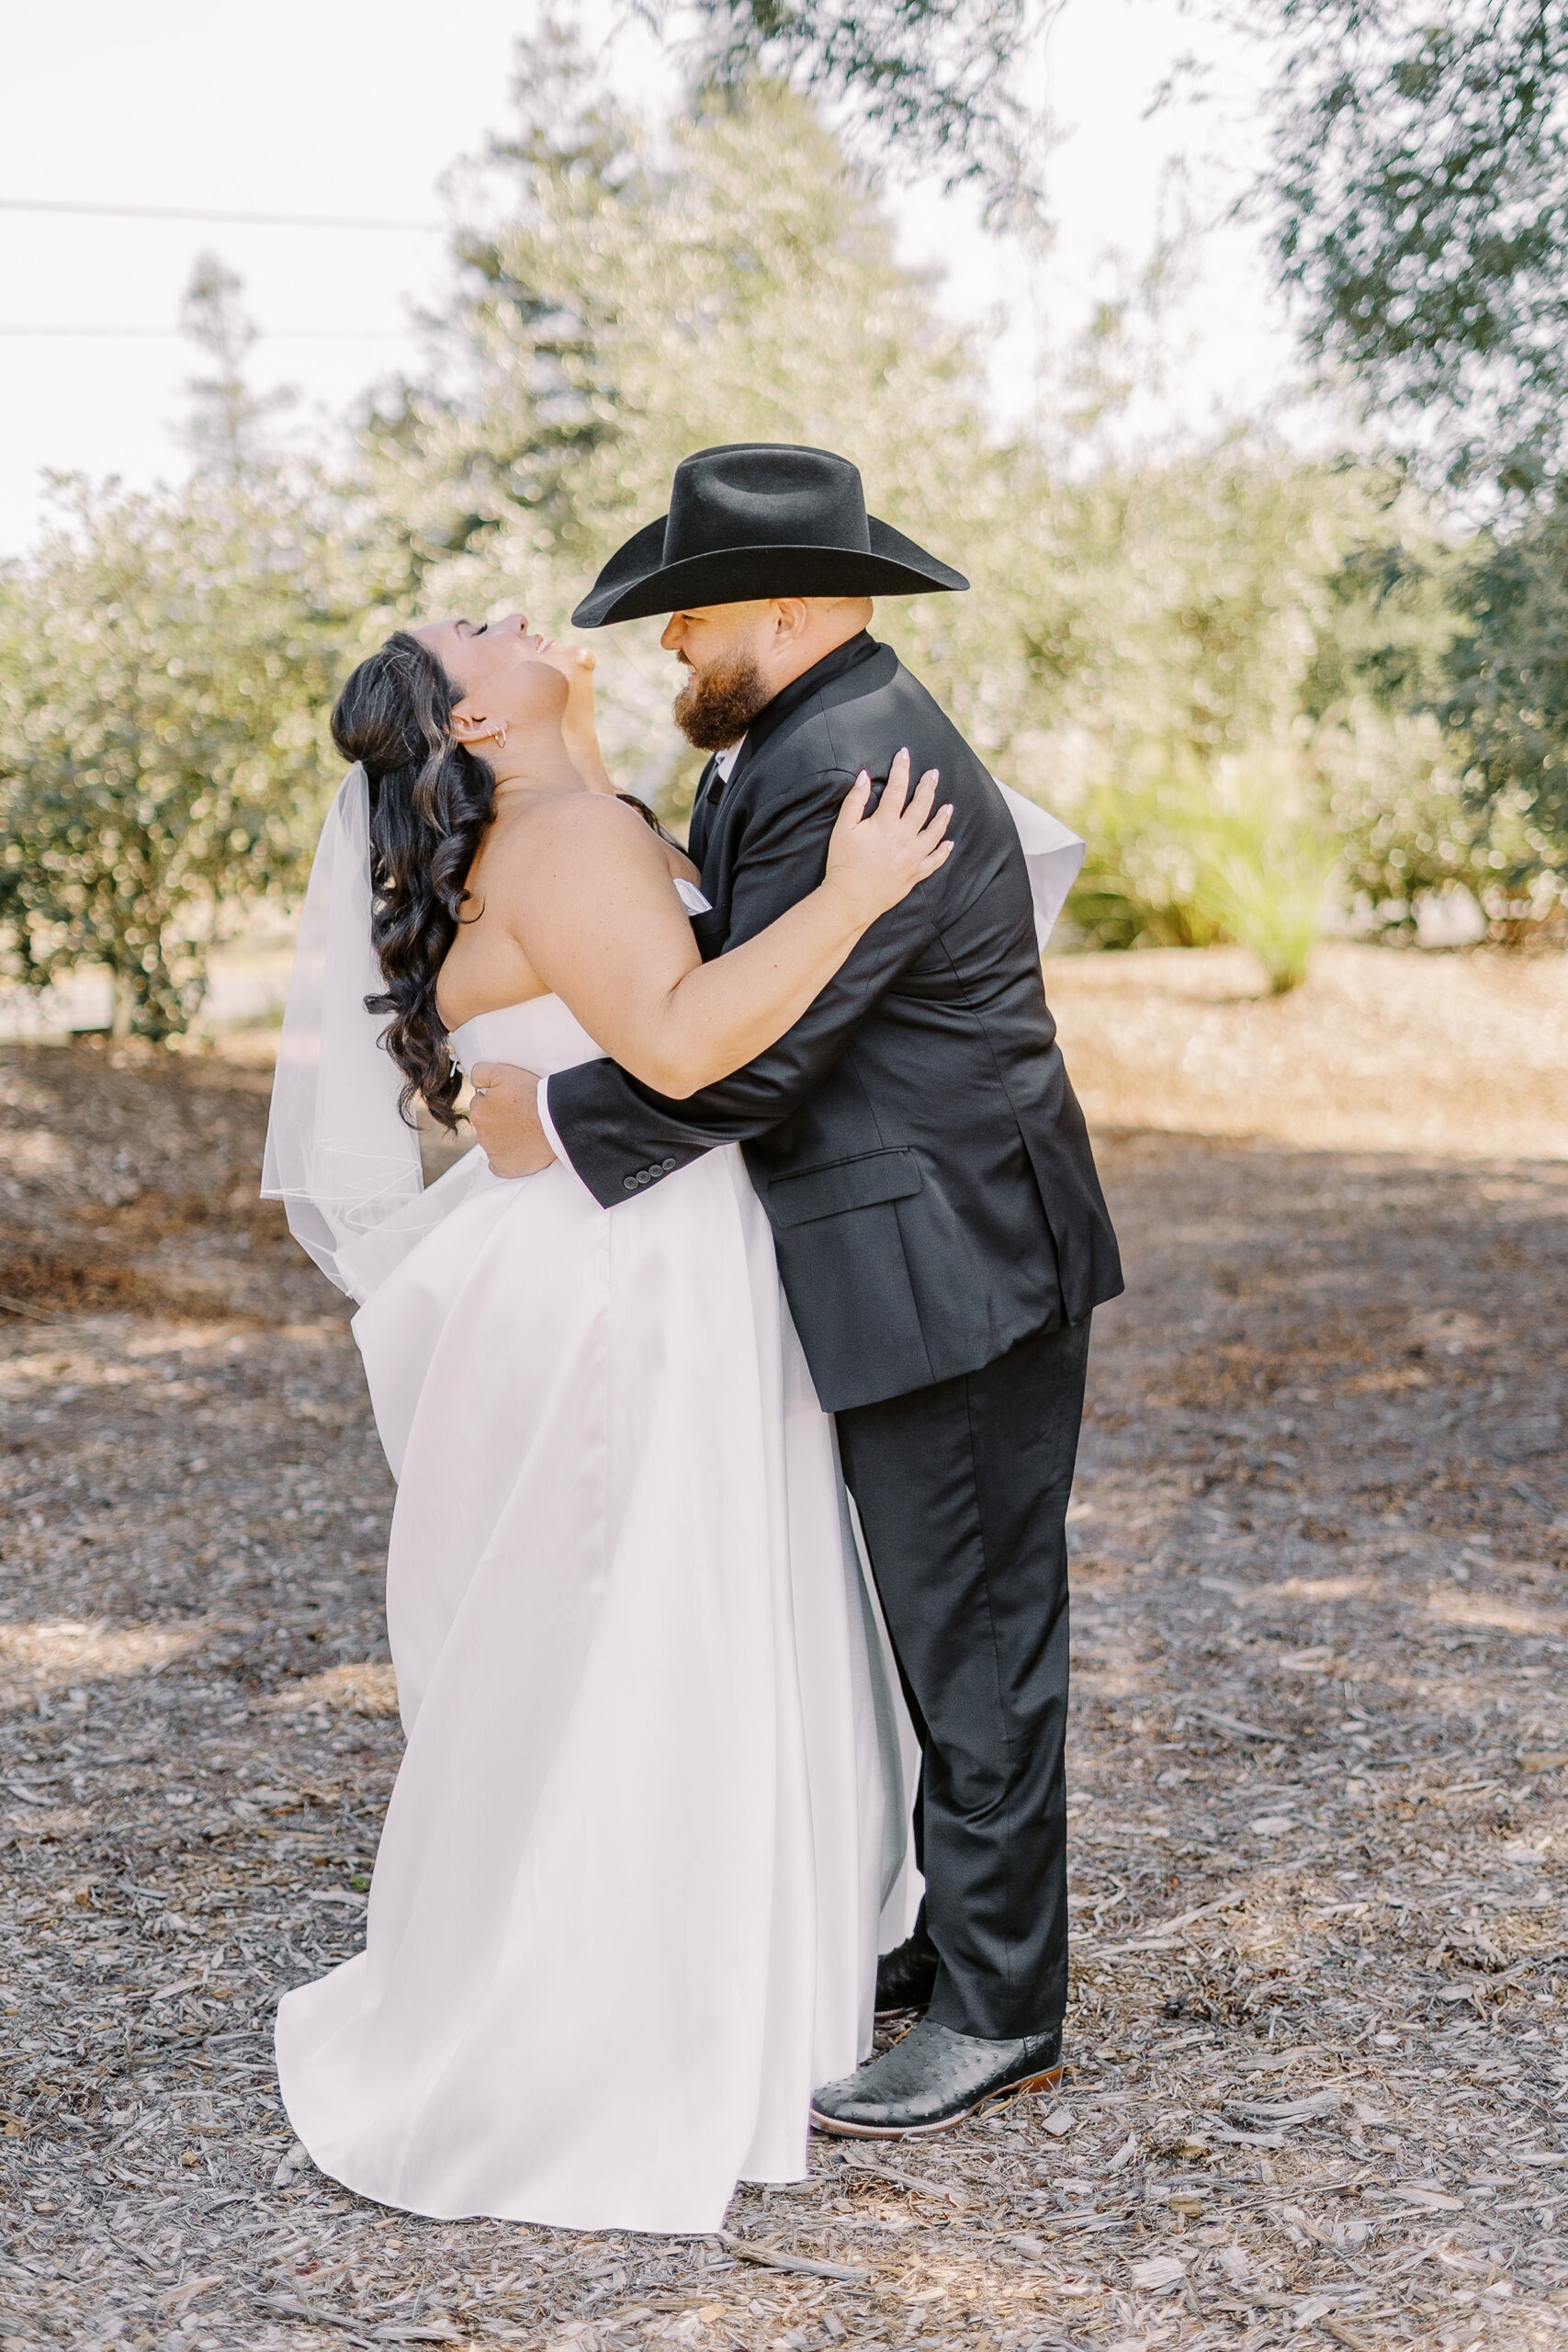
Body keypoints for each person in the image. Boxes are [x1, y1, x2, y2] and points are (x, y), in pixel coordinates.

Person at [262, 610, 952, 2233]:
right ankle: (617, 2026)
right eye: (468, 636)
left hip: (627, 1243)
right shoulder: (566, 838)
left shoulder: (597, 820)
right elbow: (688, 1038)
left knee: (626, 1629)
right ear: (474, 730)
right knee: (653, 1627)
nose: (507, 616)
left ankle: (672, 1977)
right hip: (630, 1279)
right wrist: (855, 899)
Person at [467, 442, 1125, 2140]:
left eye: (690, 621)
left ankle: (1000, 2008)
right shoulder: (809, 734)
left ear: (777, 604)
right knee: (939, 1618)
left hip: (953, 1256)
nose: (671, 651)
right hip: (917, 1245)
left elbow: (756, 1059)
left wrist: (552, 1115)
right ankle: (963, 1934)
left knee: (977, 1634)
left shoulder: (859, 762)